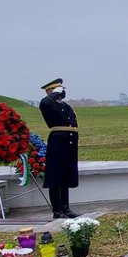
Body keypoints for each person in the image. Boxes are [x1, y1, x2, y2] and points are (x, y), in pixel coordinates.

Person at [39, 78, 80, 218]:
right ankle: (57, 210)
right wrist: (53, 95)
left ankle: (66, 208)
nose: (61, 92)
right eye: (58, 90)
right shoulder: (47, 104)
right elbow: (45, 102)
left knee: (66, 175)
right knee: (56, 176)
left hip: (69, 142)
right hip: (57, 142)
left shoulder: (66, 106)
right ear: (50, 92)